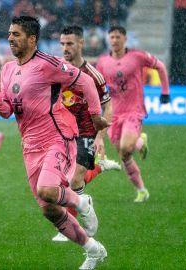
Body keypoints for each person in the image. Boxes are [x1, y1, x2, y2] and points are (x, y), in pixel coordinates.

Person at [0, 16, 108, 270]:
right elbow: (9, 111)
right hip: (29, 146)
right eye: (10, 34)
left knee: (47, 190)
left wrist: (96, 116)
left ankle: (82, 202)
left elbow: (85, 81)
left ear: (32, 39)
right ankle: (93, 250)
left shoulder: (48, 64)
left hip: (58, 137)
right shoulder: (8, 69)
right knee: (49, 210)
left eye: (17, 34)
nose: (10, 38)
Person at [52, 25, 121, 242]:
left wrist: (100, 136)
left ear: (81, 43)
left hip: (86, 132)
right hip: (61, 133)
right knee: (61, 182)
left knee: (74, 180)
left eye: (70, 43)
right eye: (62, 44)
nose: (65, 48)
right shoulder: (55, 70)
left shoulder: (93, 75)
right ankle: (99, 168)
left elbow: (107, 106)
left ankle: (68, 226)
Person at [96, 25, 170, 202]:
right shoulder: (103, 62)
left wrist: (165, 91)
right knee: (124, 155)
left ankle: (138, 140)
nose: (115, 40)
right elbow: (97, 86)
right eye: (112, 37)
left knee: (126, 148)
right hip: (113, 114)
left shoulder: (137, 56)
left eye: (118, 37)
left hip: (133, 111)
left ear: (125, 39)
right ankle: (142, 190)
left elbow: (160, 66)